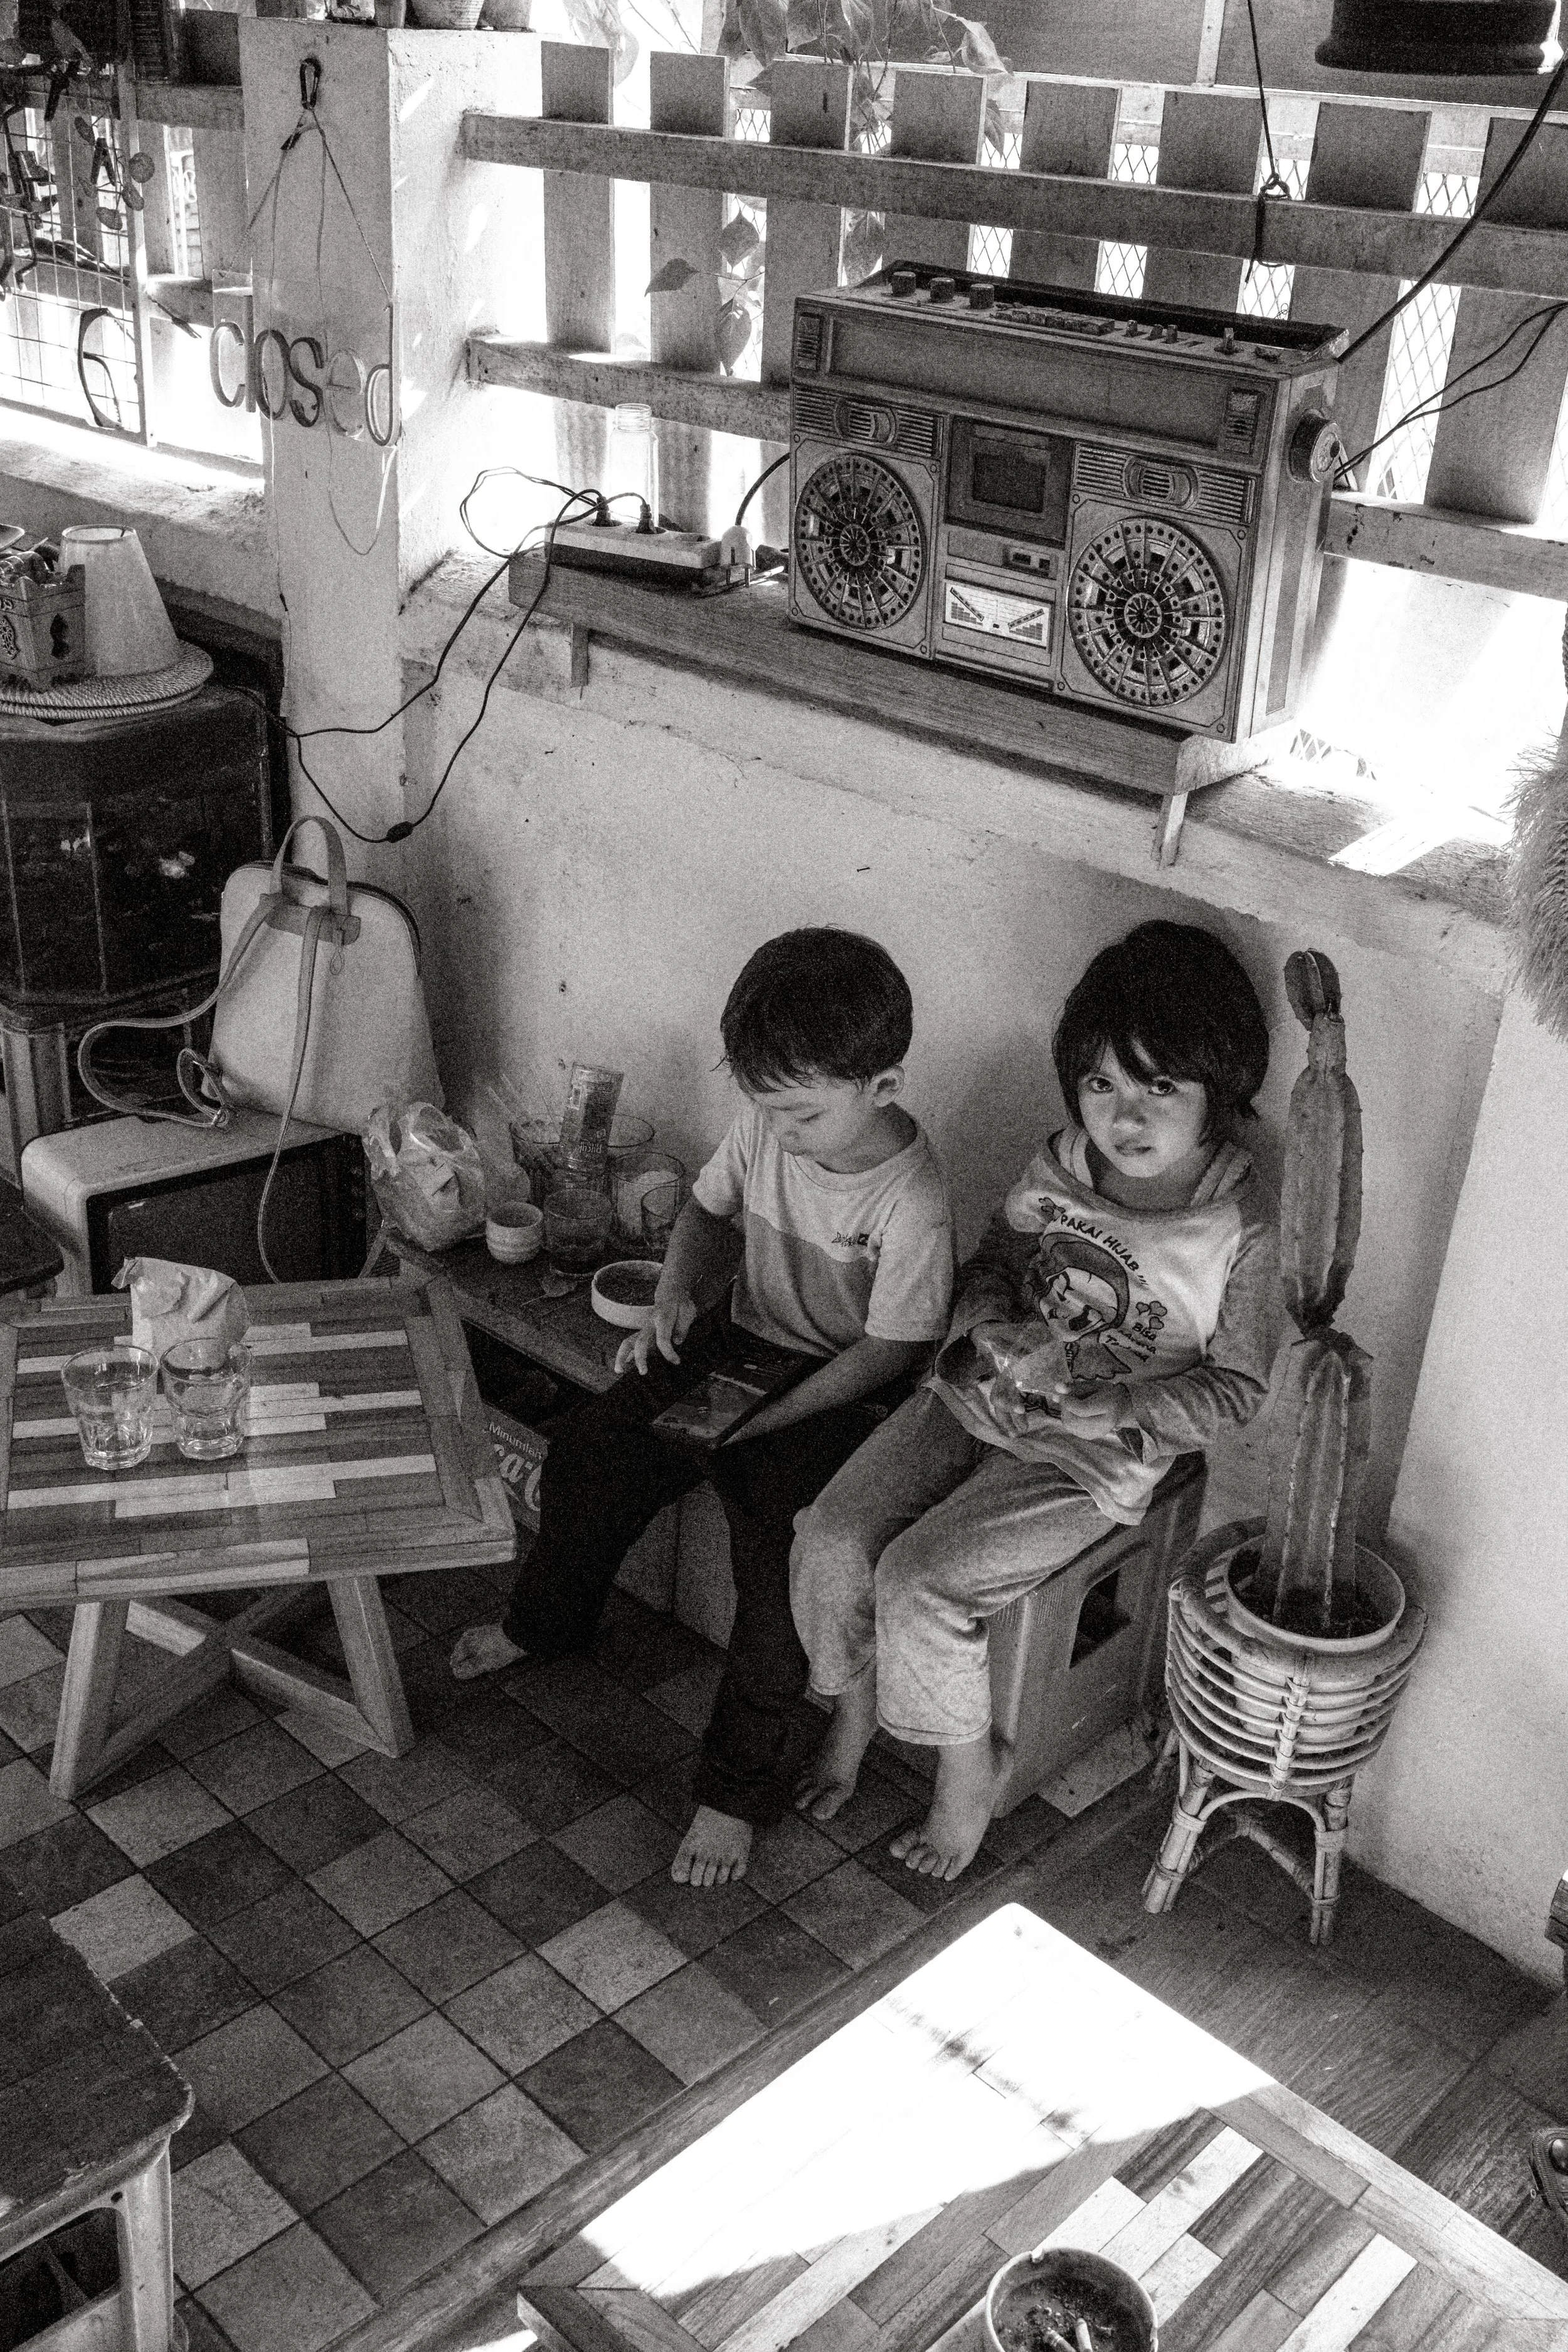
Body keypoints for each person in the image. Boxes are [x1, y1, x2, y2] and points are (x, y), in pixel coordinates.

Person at [451, 928, 955, 1888]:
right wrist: (679, 1296)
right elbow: (707, 1212)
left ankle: (733, 1791)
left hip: (845, 1388)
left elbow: (894, 1346)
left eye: (801, 1114)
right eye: (764, 1105)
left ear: (881, 1088)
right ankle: (545, 1622)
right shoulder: (768, 1123)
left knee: (778, 1582)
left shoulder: (914, 1198)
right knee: (593, 1451)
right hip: (741, 1342)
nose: (779, 1130)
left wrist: (771, 1419)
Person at [790, 920, 1278, 1882]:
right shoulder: (1059, 1162)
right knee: (832, 1537)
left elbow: (1239, 1388)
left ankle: (969, 1771)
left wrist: (1128, 1407)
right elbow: (999, 1263)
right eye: (1101, 1085)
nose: (1124, 1118)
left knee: (923, 1579)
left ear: (1217, 1092)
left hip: (1097, 1454)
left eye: (1159, 1089)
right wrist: (986, 1330)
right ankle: (850, 1702)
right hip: (987, 1399)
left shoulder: (1240, 1224)